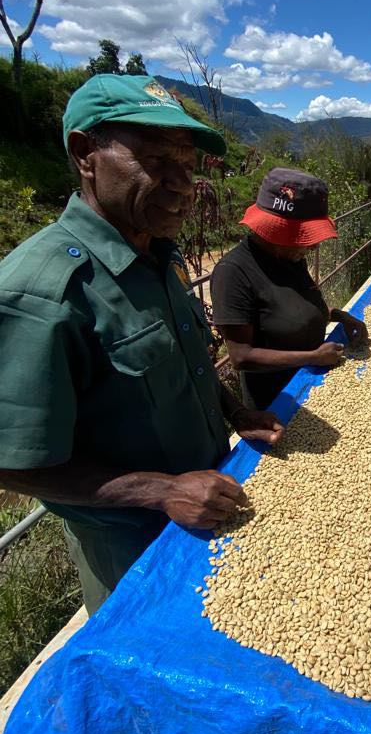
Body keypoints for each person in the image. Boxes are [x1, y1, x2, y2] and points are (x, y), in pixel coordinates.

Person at [0, 74, 284, 614]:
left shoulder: (158, 255)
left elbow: (182, 361)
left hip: (211, 507)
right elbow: (13, 462)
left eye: (188, 163)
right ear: (86, 153)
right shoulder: (41, 293)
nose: (184, 182)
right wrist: (160, 490)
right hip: (131, 551)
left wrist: (233, 411)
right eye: (157, 160)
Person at [211, 167, 369, 410]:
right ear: (276, 230)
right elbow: (241, 356)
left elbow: (294, 308)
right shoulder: (234, 272)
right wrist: (312, 357)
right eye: (305, 238)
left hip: (315, 381)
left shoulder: (291, 258)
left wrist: (339, 316)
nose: (313, 247)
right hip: (278, 402)